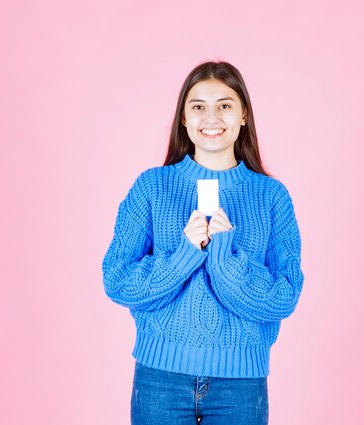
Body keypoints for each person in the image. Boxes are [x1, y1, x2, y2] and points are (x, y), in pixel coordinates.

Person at [102, 60, 305, 425]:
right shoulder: (152, 187)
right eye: (198, 106)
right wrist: (184, 255)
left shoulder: (272, 196)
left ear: (244, 115)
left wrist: (225, 258)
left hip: (241, 385)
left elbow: (284, 296)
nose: (211, 117)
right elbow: (117, 281)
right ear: (183, 118)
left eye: (225, 105)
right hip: (160, 378)